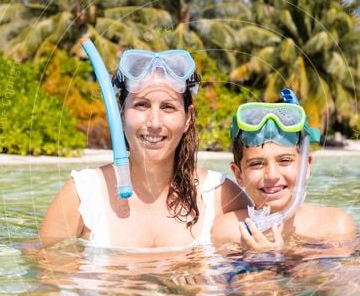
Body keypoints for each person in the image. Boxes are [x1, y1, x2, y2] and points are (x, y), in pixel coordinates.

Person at [40, 48, 249, 249]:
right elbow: (45, 275)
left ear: (188, 118)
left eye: (168, 107)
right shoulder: (82, 194)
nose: (155, 122)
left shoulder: (220, 196)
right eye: (141, 105)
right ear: (121, 113)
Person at [212, 95, 359, 252]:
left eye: (284, 161)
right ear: (238, 174)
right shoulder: (227, 231)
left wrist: (280, 256)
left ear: (306, 166)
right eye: (256, 164)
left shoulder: (334, 225)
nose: (272, 175)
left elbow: (344, 275)